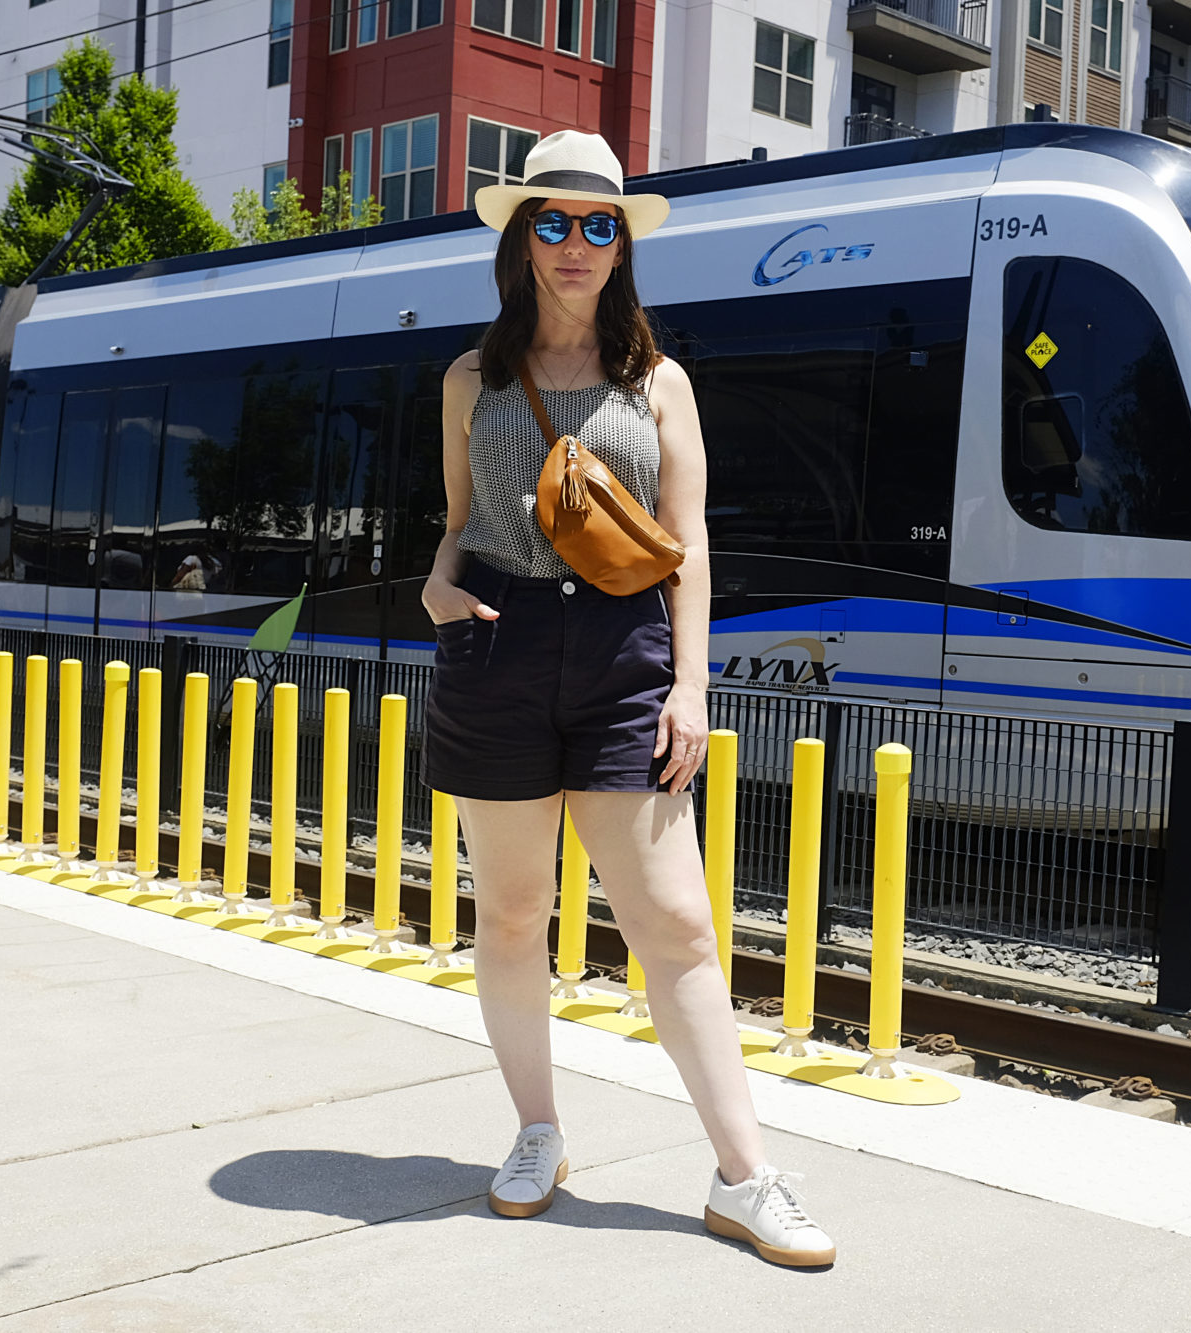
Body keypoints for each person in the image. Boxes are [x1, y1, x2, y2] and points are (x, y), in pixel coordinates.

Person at [422, 130, 836, 1268]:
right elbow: (457, 528)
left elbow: (689, 544)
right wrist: (436, 586)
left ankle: (745, 1177)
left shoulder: (659, 383)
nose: (573, 243)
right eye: (550, 221)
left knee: (675, 926)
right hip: (496, 649)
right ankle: (536, 1133)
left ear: (621, 246)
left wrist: (690, 683)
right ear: (520, 239)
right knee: (511, 918)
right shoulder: (470, 379)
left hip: (623, 654)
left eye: (596, 224)